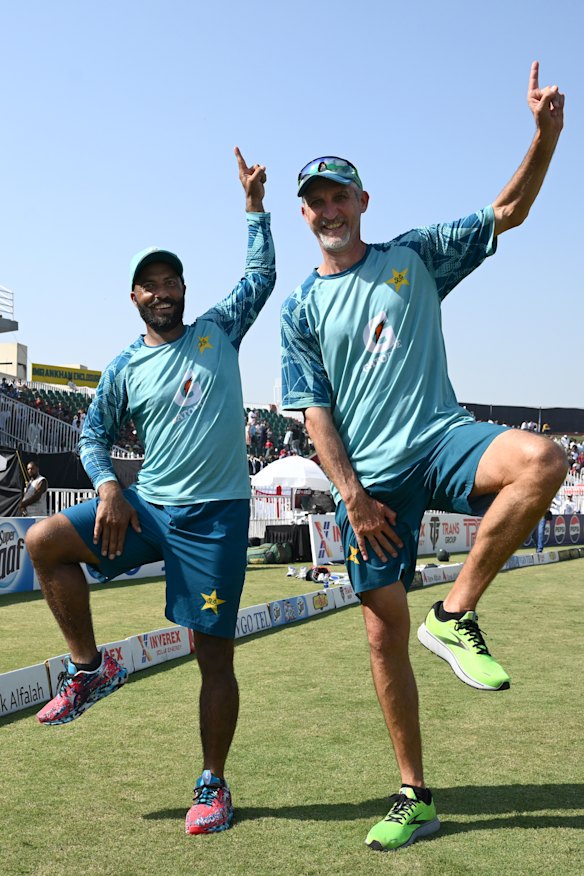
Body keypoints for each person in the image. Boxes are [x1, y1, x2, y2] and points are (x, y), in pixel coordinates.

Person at [281, 62, 568, 852]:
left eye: (340, 195)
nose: (329, 209)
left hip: (441, 439)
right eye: (316, 201)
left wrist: (544, 136)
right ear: (304, 215)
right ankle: (416, 796)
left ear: (363, 202)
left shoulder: (413, 256)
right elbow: (314, 411)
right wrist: (351, 496)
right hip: (369, 487)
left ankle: (457, 613)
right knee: (380, 639)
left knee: (543, 462)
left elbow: (507, 210)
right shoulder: (301, 306)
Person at [25, 148, 275, 836]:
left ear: (184, 291)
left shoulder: (217, 331)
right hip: (149, 510)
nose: (163, 290)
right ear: (134, 297)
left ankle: (213, 784)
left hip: (217, 520)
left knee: (212, 655)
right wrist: (108, 485)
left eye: (173, 281)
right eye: (150, 284)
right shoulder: (125, 366)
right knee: (44, 540)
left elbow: (263, 274)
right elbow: (92, 436)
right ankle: (90, 669)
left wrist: (254, 208)